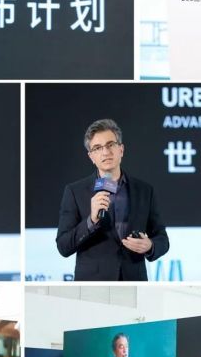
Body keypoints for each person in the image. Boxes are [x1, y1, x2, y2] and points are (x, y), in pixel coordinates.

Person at [56, 118, 169, 280]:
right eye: (97, 148)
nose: (106, 152)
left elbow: (162, 239)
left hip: (133, 282)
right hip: (93, 285)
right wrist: (91, 220)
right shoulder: (75, 191)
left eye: (110, 145)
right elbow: (63, 246)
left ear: (121, 149)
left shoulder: (144, 190)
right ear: (91, 157)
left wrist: (150, 246)